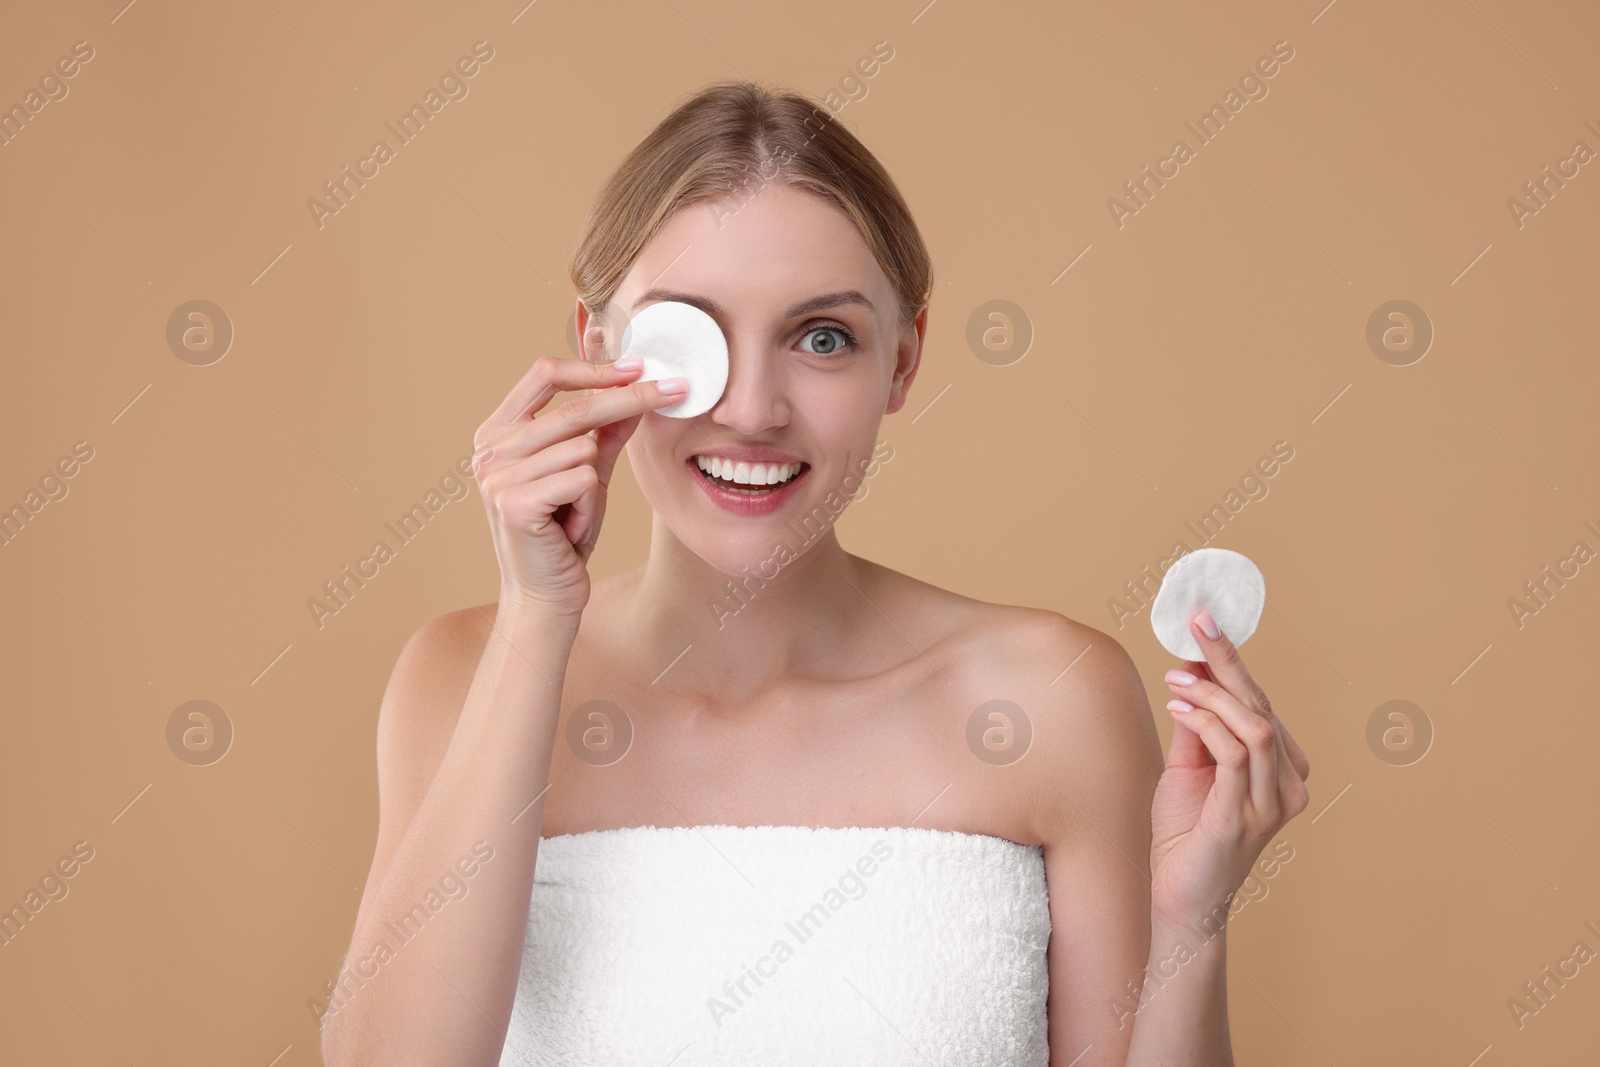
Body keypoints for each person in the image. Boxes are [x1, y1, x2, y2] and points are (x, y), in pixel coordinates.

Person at [320, 79, 1311, 1067]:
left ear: (903, 361)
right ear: (596, 348)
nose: (752, 409)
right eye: (690, 338)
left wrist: (1187, 923)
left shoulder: (1051, 696)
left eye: (822, 337)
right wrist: (537, 616)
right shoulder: (459, 676)